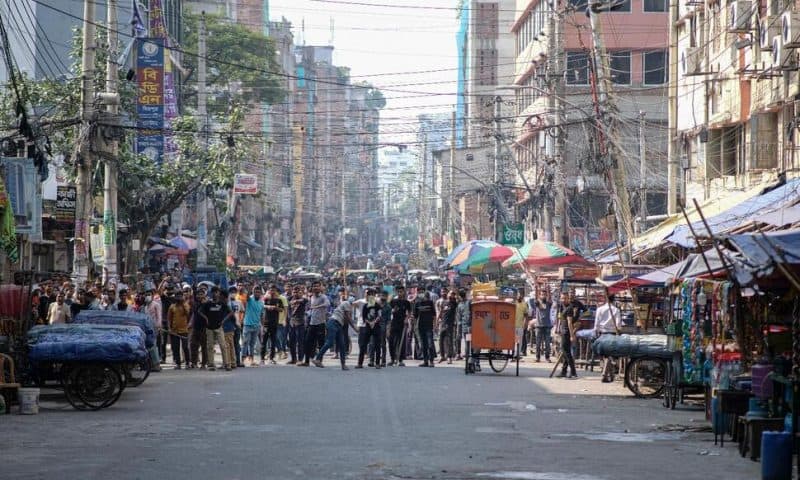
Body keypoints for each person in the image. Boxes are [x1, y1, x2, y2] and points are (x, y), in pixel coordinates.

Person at [313, 293, 353, 370]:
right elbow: (348, 318)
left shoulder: (345, 306)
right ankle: (317, 359)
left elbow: (345, 319)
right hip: (333, 323)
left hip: (338, 325)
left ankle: (343, 364)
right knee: (329, 342)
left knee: (342, 345)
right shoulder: (347, 303)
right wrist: (355, 328)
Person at [594, 292, 623, 382]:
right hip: (612, 334)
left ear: (606, 298)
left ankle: (607, 375)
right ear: (613, 299)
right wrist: (619, 331)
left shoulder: (600, 309)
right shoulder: (616, 310)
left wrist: (596, 333)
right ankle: (606, 374)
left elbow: (596, 325)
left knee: (606, 355)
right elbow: (618, 325)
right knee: (609, 355)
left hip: (602, 334)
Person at [556, 291, 584, 379]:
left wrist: (572, 335)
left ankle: (573, 372)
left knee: (566, 352)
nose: (564, 300)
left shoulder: (569, 308)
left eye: (565, 298)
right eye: (562, 298)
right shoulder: (562, 306)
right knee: (565, 351)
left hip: (567, 332)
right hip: (563, 330)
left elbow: (569, 323)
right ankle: (564, 371)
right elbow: (560, 319)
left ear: (568, 299)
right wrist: (558, 328)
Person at [302, 281, 330, 367]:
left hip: (320, 323)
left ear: (320, 288)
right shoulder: (311, 297)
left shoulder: (323, 297)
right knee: (307, 343)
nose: (316, 288)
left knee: (321, 343)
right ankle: (306, 361)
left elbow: (327, 304)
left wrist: (316, 307)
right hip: (312, 323)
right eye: (314, 286)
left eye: (317, 286)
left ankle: (319, 361)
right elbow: (309, 309)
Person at [388, 285, 413, 366]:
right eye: (398, 291)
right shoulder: (393, 301)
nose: (400, 293)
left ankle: (401, 360)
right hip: (393, 323)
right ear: (396, 292)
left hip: (402, 324)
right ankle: (392, 359)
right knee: (391, 341)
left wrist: (407, 318)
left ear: (403, 292)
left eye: (401, 291)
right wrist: (392, 310)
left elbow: (409, 312)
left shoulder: (406, 302)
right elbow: (388, 311)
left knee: (401, 342)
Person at [358, 288, 382, 369]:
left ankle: (378, 363)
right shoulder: (365, 306)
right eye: (369, 294)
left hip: (376, 327)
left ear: (374, 296)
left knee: (377, 345)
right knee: (363, 345)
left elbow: (379, 315)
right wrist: (369, 322)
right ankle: (360, 363)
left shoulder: (377, 305)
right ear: (367, 296)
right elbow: (364, 317)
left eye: (372, 294)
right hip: (367, 327)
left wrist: (374, 322)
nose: (371, 296)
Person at [260, 285, 284, 366]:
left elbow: (281, 309)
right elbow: (262, 305)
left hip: (274, 323)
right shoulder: (266, 299)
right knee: (264, 342)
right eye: (271, 290)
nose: (272, 291)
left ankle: (271, 358)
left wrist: (275, 308)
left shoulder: (279, 300)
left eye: (274, 290)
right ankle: (262, 359)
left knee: (273, 341)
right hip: (266, 323)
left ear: (276, 291)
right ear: (269, 290)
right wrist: (268, 306)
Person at [167, 290, 191, 369]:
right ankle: (178, 364)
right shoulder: (172, 306)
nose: (178, 298)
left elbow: (188, 313)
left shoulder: (186, 305)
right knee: (175, 348)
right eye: (177, 296)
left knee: (185, 347)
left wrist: (183, 303)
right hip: (174, 331)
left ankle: (188, 363)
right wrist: (169, 328)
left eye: (180, 296)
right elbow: (169, 319)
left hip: (184, 330)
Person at [242, 286, 264, 367]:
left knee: (252, 344)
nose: (257, 293)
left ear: (261, 293)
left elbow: (262, 315)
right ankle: (242, 360)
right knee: (245, 343)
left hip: (257, 326)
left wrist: (262, 326)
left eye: (258, 292)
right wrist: (249, 289)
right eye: (255, 292)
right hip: (247, 325)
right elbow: (246, 297)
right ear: (253, 292)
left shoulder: (261, 303)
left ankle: (252, 360)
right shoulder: (250, 299)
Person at [188, 287, 209, 369]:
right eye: (198, 294)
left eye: (201, 294)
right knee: (193, 345)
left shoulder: (207, 304)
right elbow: (193, 314)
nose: (199, 296)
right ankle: (194, 362)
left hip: (204, 328)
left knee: (204, 346)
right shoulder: (195, 304)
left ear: (204, 295)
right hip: (195, 327)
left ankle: (204, 363)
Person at [287, 285, 308, 365]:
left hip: (300, 323)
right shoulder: (289, 299)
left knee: (300, 342)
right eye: (294, 292)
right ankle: (293, 359)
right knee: (291, 342)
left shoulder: (304, 300)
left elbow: (304, 300)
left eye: (298, 292)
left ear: (301, 292)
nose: (296, 293)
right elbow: (287, 304)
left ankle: (300, 359)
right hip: (291, 323)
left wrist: (297, 300)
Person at [144, 289, 163, 372]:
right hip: (147, 329)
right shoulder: (145, 306)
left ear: (152, 295)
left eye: (149, 294)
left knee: (153, 347)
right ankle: (152, 364)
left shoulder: (156, 304)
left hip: (154, 328)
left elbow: (159, 316)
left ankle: (157, 365)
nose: (147, 296)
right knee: (150, 347)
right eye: (146, 294)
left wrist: (158, 326)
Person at [414, 291, 436, 367]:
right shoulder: (417, 303)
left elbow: (434, 315)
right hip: (420, 326)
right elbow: (415, 316)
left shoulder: (430, 303)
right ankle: (425, 361)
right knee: (423, 345)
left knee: (430, 344)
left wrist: (435, 325)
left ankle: (431, 361)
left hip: (429, 326)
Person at [438, 291, 458, 364]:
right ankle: (442, 356)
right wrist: (437, 321)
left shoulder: (455, 303)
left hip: (450, 324)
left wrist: (456, 295)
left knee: (449, 341)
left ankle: (449, 357)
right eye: (450, 293)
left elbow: (457, 311)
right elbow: (441, 311)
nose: (451, 295)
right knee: (440, 340)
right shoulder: (444, 302)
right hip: (443, 323)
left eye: (453, 294)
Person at [227, 287, 244, 368]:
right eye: (231, 292)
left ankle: (238, 361)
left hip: (237, 325)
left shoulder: (239, 302)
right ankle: (229, 361)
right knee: (228, 344)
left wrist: (240, 321)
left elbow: (242, 312)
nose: (233, 293)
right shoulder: (226, 302)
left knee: (236, 344)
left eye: (234, 292)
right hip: (228, 326)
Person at [534, 290, 553, 362]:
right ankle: (537, 357)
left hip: (547, 326)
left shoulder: (549, 303)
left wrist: (549, 293)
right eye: (542, 294)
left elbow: (551, 301)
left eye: (544, 295)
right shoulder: (537, 303)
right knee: (538, 343)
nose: (543, 296)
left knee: (547, 343)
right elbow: (536, 300)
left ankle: (547, 357)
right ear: (540, 296)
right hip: (539, 326)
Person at [514, 292, 530, 356]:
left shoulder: (524, 304)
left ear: (522, 296)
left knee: (519, 341)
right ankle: (513, 353)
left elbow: (526, 315)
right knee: (514, 341)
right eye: (518, 294)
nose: (519, 296)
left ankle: (517, 354)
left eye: (520, 295)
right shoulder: (513, 303)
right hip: (512, 326)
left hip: (520, 325)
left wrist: (525, 324)